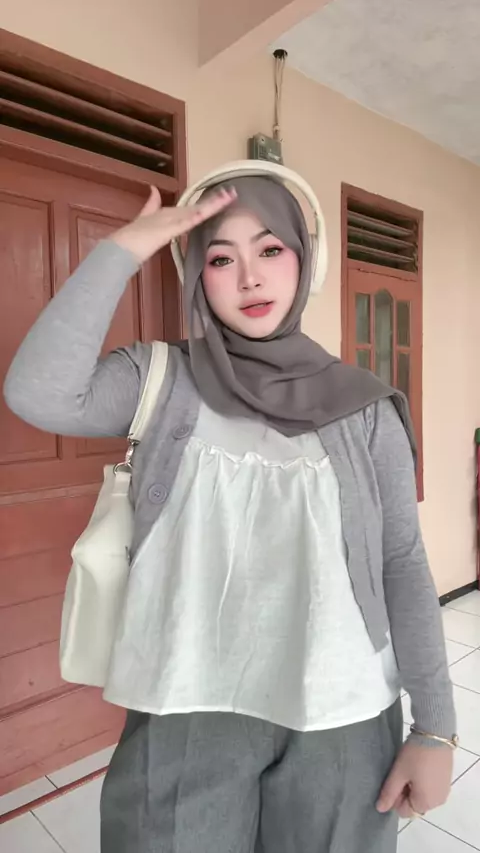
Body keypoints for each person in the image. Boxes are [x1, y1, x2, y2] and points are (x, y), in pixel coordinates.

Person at [4, 166, 456, 853]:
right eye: (219, 259)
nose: (249, 277)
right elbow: (38, 393)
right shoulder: (160, 378)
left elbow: (402, 562)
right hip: (185, 703)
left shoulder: (365, 406)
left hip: (341, 711)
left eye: (270, 249)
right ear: (195, 276)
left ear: (305, 261)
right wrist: (122, 249)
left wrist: (435, 729)